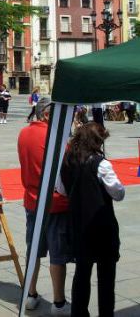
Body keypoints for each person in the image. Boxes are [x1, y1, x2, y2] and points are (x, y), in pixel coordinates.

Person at [60, 122, 125, 317]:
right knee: (106, 277)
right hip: (101, 225)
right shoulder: (101, 164)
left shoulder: (68, 160)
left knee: (82, 273)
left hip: (78, 224)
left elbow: (62, 189)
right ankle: (106, 313)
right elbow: (118, 193)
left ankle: (78, 313)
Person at [17, 97, 71, 314]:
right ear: (47, 115)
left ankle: (31, 294)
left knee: (34, 250)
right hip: (56, 203)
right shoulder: (55, 137)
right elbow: (65, 171)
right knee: (57, 254)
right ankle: (58, 303)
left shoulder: (23, 133)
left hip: (31, 199)